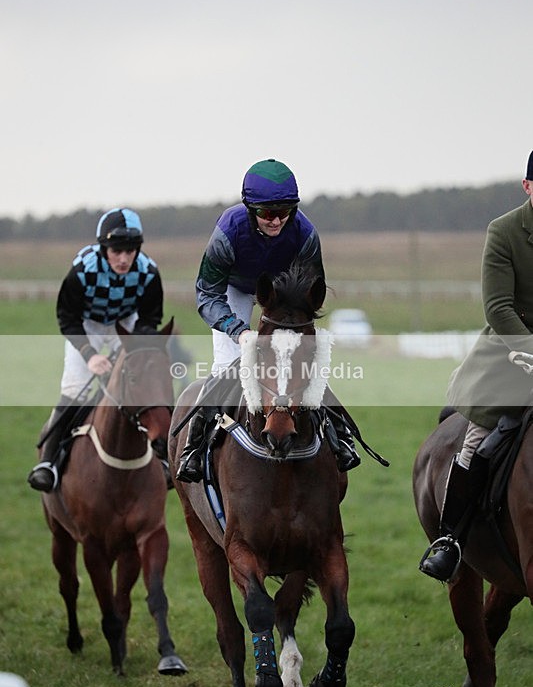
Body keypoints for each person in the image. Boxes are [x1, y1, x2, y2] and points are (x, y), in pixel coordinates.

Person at [177, 157, 360, 483]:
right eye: (266, 213)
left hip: (280, 296)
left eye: (284, 212)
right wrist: (238, 330)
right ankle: (193, 447)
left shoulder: (304, 234)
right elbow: (207, 294)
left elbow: (310, 296)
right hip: (233, 291)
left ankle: (340, 434)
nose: (276, 220)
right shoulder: (228, 231)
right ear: (250, 209)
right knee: (228, 364)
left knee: (302, 362)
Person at [419, 151, 533, 581]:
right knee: (477, 441)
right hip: (510, 352)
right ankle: (449, 540)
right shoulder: (504, 232)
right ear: (527, 187)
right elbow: (499, 306)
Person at [27, 207, 165, 492]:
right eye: (117, 251)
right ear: (104, 248)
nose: (124, 258)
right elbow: (67, 317)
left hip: (125, 324)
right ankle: (48, 462)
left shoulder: (149, 272)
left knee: (150, 380)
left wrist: (134, 346)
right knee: (76, 388)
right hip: (87, 324)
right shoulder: (83, 270)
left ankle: (166, 457)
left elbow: (151, 317)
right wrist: (90, 356)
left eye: (130, 251)